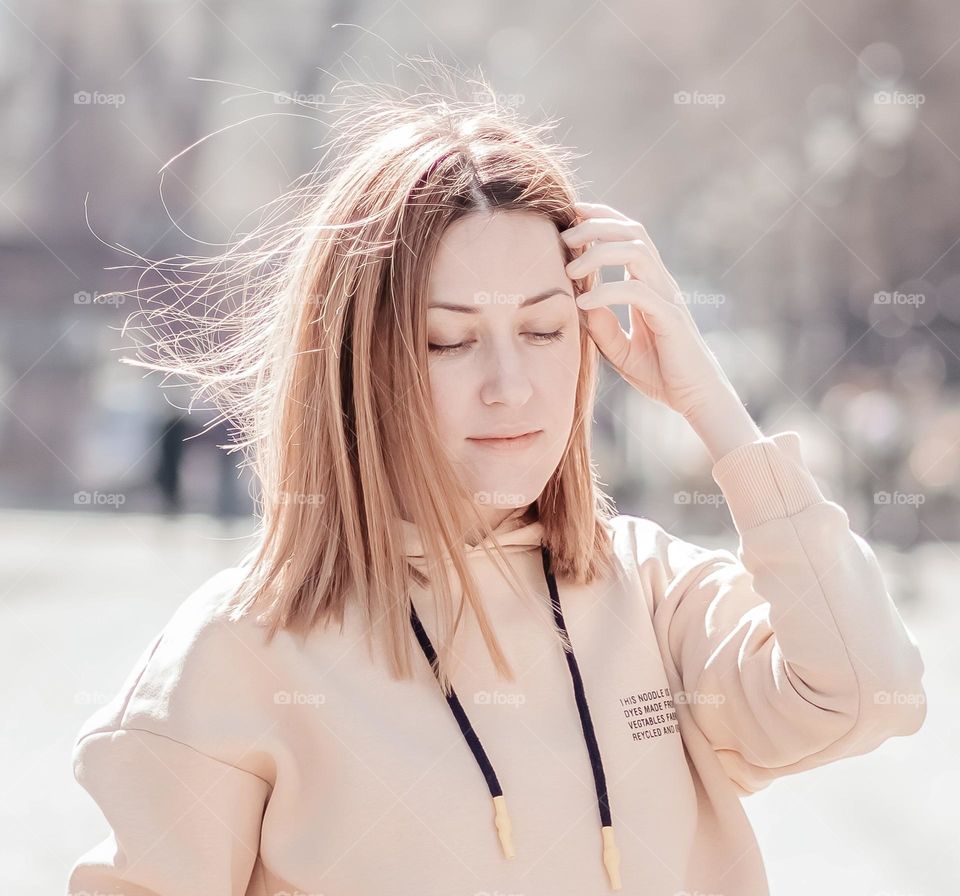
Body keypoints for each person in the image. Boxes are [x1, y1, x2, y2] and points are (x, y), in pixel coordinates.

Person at [67, 78, 927, 896]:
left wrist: (708, 401)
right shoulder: (242, 651)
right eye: (449, 341)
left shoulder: (655, 599)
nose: (510, 385)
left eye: (546, 329)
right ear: (360, 365)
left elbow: (865, 692)